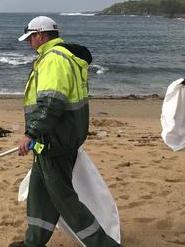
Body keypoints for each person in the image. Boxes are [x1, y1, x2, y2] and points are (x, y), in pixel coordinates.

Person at [10, 16, 120, 247]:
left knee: (65, 200)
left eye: (30, 37)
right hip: (55, 139)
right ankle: (33, 242)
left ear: (40, 35)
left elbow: (51, 103)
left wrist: (31, 132)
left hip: (54, 141)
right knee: (40, 194)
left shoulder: (53, 60)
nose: (30, 43)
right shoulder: (64, 57)